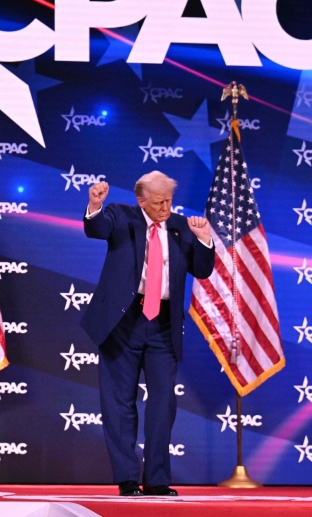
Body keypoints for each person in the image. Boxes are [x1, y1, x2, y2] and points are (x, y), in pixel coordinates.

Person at [82, 171, 214, 497]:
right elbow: (96, 228)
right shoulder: (119, 215)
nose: (165, 208)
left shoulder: (182, 226)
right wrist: (94, 205)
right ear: (141, 200)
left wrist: (205, 239)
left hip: (163, 326)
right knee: (119, 403)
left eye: (169, 201)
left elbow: (202, 269)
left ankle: (157, 479)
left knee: (163, 403)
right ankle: (127, 479)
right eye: (158, 203)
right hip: (121, 323)